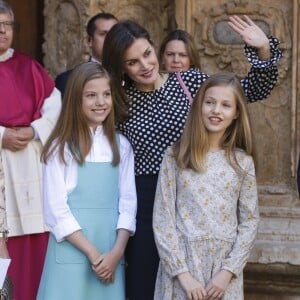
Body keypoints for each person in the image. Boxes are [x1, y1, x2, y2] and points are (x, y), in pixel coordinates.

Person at [102, 15, 282, 300]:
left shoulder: (189, 82)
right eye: (132, 62)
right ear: (120, 66)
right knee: (144, 288)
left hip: (198, 197)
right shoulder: (118, 101)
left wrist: (262, 50)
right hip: (148, 203)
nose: (145, 66)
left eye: (147, 54)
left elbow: (247, 92)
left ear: (154, 46)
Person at [153, 72, 259, 300]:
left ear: (236, 113)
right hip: (183, 269)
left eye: (225, 105)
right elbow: (163, 218)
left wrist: (227, 272)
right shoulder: (175, 156)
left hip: (222, 274)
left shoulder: (242, 162)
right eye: (209, 102)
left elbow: (250, 221)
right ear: (199, 105)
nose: (216, 110)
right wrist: (182, 274)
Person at [37, 62, 137, 300]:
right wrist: (93, 254)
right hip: (73, 253)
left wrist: (116, 253)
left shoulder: (121, 146)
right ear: (75, 100)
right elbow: (56, 210)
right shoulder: (59, 149)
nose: (100, 102)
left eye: (106, 94)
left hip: (110, 253)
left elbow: (128, 204)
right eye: (91, 95)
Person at [0, 1, 62, 299]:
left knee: (33, 248)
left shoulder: (29, 67)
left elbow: (57, 108)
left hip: (30, 167)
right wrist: (1, 135)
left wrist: (34, 129)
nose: (2, 31)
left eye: (7, 25)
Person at [55, 12, 118, 97]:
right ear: (89, 40)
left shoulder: (132, 77)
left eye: (115, 34)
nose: (110, 39)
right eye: (103, 34)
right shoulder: (68, 81)